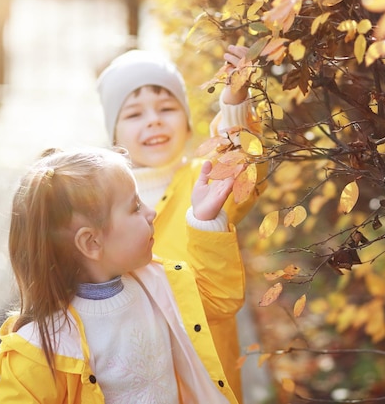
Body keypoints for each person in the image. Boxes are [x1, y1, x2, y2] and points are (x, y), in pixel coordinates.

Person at [0, 147, 244, 403]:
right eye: (135, 207)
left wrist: (205, 220)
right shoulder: (41, 348)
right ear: (91, 242)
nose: (151, 212)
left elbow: (219, 299)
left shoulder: (158, 285)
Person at [96, 45, 267, 401]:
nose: (153, 120)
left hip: (205, 378)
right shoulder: (101, 202)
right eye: (134, 114)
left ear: (188, 122)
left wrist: (235, 101)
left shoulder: (202, 181)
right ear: (114, 137)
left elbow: (240, 164)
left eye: (166, 108)